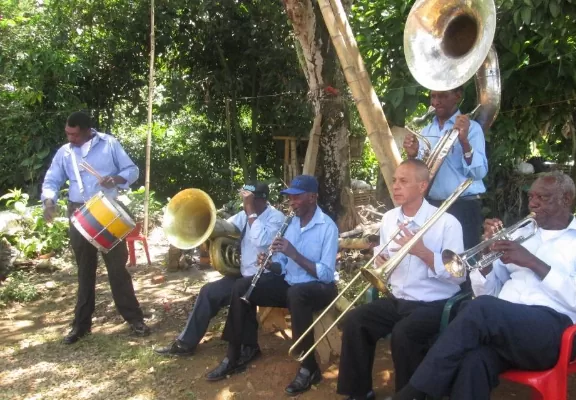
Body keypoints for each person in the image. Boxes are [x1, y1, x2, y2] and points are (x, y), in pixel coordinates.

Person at [392, 171, 576, 400]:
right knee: (474, 362)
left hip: (556, 333)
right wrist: (486, 261)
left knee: (482, 308)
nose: (534, 203)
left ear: (567, 199)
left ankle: (413, 393)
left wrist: (532, 261)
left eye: (543, 198)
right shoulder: (521, 234)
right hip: (504, 330)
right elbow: (488, 293)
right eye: (531, 197)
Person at [337, 159, 465, 400]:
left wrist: (423, 252)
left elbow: (459, 278)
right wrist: (380, 260)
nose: (395, 186)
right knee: (356, 321)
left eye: (404, 181)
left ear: (422, 186)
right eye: (395, 180)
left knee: (404, 334)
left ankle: (409, 396)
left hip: (433, 304)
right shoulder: (389, 218)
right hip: (397, 299)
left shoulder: (447, 223)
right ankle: (359, 392)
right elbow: (381, 257)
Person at [206, 175, 339, 396]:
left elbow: (325, 274)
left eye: (297, 198)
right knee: (241, 287)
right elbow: (283, 266)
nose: (292, 203)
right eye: (290, 199)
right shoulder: (292, 224)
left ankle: (308, 367)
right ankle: (235, 354)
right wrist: (271, 263)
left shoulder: (328, 227)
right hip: (291, 283)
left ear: (312, 197)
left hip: (319, 288)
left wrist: (293, 254)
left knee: (297, 294)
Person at [41, 111, 150, 344]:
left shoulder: (109, 144)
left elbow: (132, 170)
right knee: (84, 271)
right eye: (67, 133)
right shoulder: (65, 152)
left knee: (117, 269)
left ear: (87, 130)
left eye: (74, 134)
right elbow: (52, 179)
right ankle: (81, 326)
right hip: (78, 212)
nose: (70, 138)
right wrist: (49, 200)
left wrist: (116, 180)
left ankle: (134, 319)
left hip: (106, 209)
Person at [154, 182, 285, 356]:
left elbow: (261, 241)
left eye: (249, 200)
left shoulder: (276, 218)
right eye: (244, 199)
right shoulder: (243, 215)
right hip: (244, 274)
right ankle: (185, 344)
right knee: (208, 292)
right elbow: (223, 228)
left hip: (266, 278)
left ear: (260, 200)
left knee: (242, 293)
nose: (245, 204)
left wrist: (250, 211)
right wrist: (206, 231)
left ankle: (245, 348)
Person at [403, 87, 488, 250]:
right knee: (433, 260)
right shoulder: (426, 131)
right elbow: (422, 175)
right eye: (433, 96)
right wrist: (412, 156)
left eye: (442, 96)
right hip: (432, 205)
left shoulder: (473, 128)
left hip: (463, 207)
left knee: (462, 263)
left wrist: (464, 142)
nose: (435, 102)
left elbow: (478, 173)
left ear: (457, 96)